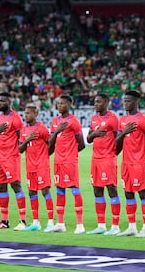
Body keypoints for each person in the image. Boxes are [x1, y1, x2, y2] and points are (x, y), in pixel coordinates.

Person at [0, 92, 27, 230]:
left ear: (9, 103)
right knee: (1, 187)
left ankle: (22, 221)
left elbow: (20, 139)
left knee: (16, 186)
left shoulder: (16, 119)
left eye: (2, 101)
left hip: (11, 157)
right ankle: (4, 221)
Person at [116, 90, 145, 238]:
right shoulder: (122, 120)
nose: (125, 103)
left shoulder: (143, 120)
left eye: (128, 101)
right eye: (124, 101)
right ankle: (131, 227)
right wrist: (123, 132)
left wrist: (141, 158)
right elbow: (117, 144)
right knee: (128, 193)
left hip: (139, 163)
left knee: (142, 193)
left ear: (136, 102)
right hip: (126, 163)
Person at [49, 95, 86, 234]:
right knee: (59, 190)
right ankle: (60, 223)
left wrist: (70, 154)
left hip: (69, 162)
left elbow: (81, 144)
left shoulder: (74, 122)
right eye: (58, 103)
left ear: (69, 105)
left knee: (74, 189)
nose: (59, 106)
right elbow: (50, 142)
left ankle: (80, 225)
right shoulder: (55, 122)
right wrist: (57, 131)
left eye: (63, 103)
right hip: (57, 161)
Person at [86, 94, 121, 236]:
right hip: (95, 159)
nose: (96, 104)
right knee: (97, 190)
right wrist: (94, 134)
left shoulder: (113, 119)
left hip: (108, 159)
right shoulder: (94, 119)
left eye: (99, 102)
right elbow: (88, 139)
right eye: (95, 102)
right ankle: (101, 225)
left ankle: (115, 226)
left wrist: (112, 155)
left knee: (111, 189)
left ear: (106, 103)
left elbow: (120, 139)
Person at [19, 104, 55, 232]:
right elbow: (20, 149)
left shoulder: (42, 129)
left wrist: (44, 159)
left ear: (35, 114)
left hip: (41, 166)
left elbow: (50, 145)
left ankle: (51, 222)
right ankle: (36, 222)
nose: (26, 115)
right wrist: (27, 139)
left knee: (45, 192)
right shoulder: (23, 130)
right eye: (25, 113)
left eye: (29, 113)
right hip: (30, 167)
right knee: (32, 193)